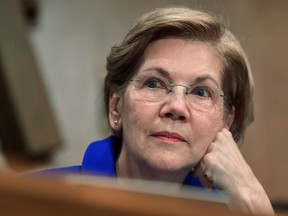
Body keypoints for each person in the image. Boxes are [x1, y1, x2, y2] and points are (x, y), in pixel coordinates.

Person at [33, 7, 274, 215]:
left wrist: (252, 199)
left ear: (225, 122)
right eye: (154, 83)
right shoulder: (38, 197)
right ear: (116, 106)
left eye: (201, 92)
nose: (177, 107)